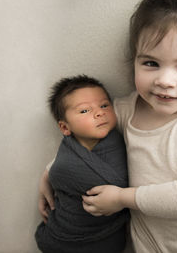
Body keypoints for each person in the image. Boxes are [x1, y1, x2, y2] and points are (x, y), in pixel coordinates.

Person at [39, 0, 177, 252]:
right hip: (145, 238)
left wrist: (123, 198)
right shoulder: (124, 110)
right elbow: (87, 139)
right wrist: (50, 172)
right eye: (150, 63)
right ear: (134, 61)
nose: (164, 81)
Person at [35, 75, 129, 253]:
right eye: (84, 111)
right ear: (65, 128)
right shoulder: (66, 161)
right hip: (66, 235)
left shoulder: (119, 138)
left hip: (105, 238)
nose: (99, 112)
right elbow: (59, 172)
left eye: (104, 105)